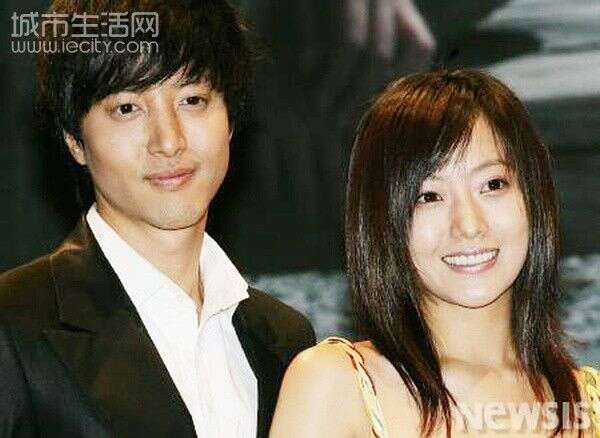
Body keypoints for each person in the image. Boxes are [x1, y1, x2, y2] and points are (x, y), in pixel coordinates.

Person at [0, 1, 315, 437]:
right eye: (127, 108)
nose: (169, 141)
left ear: (230, 119)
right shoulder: (14, 325)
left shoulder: (283, 340)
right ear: (75, 139)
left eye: (192, 100)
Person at [270, 69, 599, 437]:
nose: (469, 224)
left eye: (492, 184)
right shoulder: (337, 384)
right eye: (429, 196)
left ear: (534, 197)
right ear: (383, 220)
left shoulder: (588, 402)